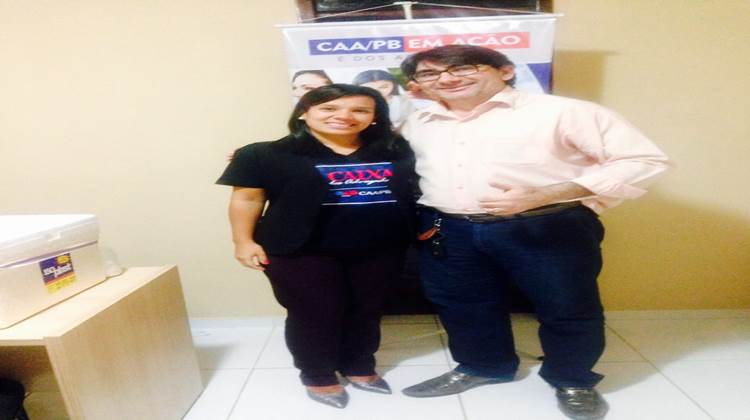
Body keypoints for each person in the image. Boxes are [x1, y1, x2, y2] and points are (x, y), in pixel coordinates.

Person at [397, 45, 670, 420]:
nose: (447, 78)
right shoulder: (418, 121)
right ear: (418, 84)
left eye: (463, 67)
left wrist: (549, 193)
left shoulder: (562, 112)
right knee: (462, 305)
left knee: (567, 306)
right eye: (430, 73)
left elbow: (644, 160)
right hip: (449, 227)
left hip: (547, 224)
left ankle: (572, 380)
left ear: (506, 71)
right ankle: (483, 366)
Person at [217, 84, 417, 409]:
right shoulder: (262, 154)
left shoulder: (397, 150)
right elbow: (247, 199)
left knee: (367, 309)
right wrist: (243, 241)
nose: (344, 116)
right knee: (314, 313)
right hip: (299, 250)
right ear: (303, 113)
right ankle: (317, 374)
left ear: (374, 117)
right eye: (329, 108)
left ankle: (359, 365)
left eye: (359, 110)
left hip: (380, 247)